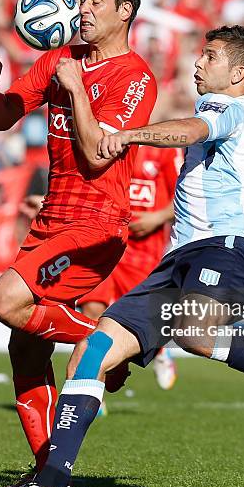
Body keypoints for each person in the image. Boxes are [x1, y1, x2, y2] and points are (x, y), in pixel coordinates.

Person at [0, 25, 244, 487]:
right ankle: (53, 481)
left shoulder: (233, 108)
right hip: (179, 256)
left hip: (221, 248)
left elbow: (191, 130)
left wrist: (127, 135)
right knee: (94, 350)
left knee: (194, 331)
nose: (199, 64)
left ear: (239, 72)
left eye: (211, 56)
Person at [0, 0, 157, 484]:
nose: (84, 8)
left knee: (5, 299)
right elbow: (1, 117)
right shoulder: (56, 59)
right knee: (24, 344)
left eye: (96, 0)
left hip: (98, 221)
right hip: (51, 218)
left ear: (125, 10)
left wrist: (73, 89)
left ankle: (108, 346)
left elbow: (99, 156)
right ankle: (47, 468)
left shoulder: (135, 76)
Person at [78, 144, 183, 392]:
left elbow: (185, 194)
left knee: (138, 320)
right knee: (92, 311)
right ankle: (91, 389)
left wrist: (157, 217)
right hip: (103, 242)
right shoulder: (105, 140)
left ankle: (157, 348)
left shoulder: (164, 149)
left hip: (143, 251)